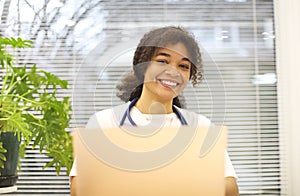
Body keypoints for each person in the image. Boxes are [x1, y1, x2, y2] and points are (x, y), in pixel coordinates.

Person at [70, 26, 239, 196]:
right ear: (143, 65)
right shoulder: (104, 123)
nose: (173, 71)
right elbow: (79, 189)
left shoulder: (201, 127)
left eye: (183, 66)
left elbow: (230, 188)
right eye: (163, 61)